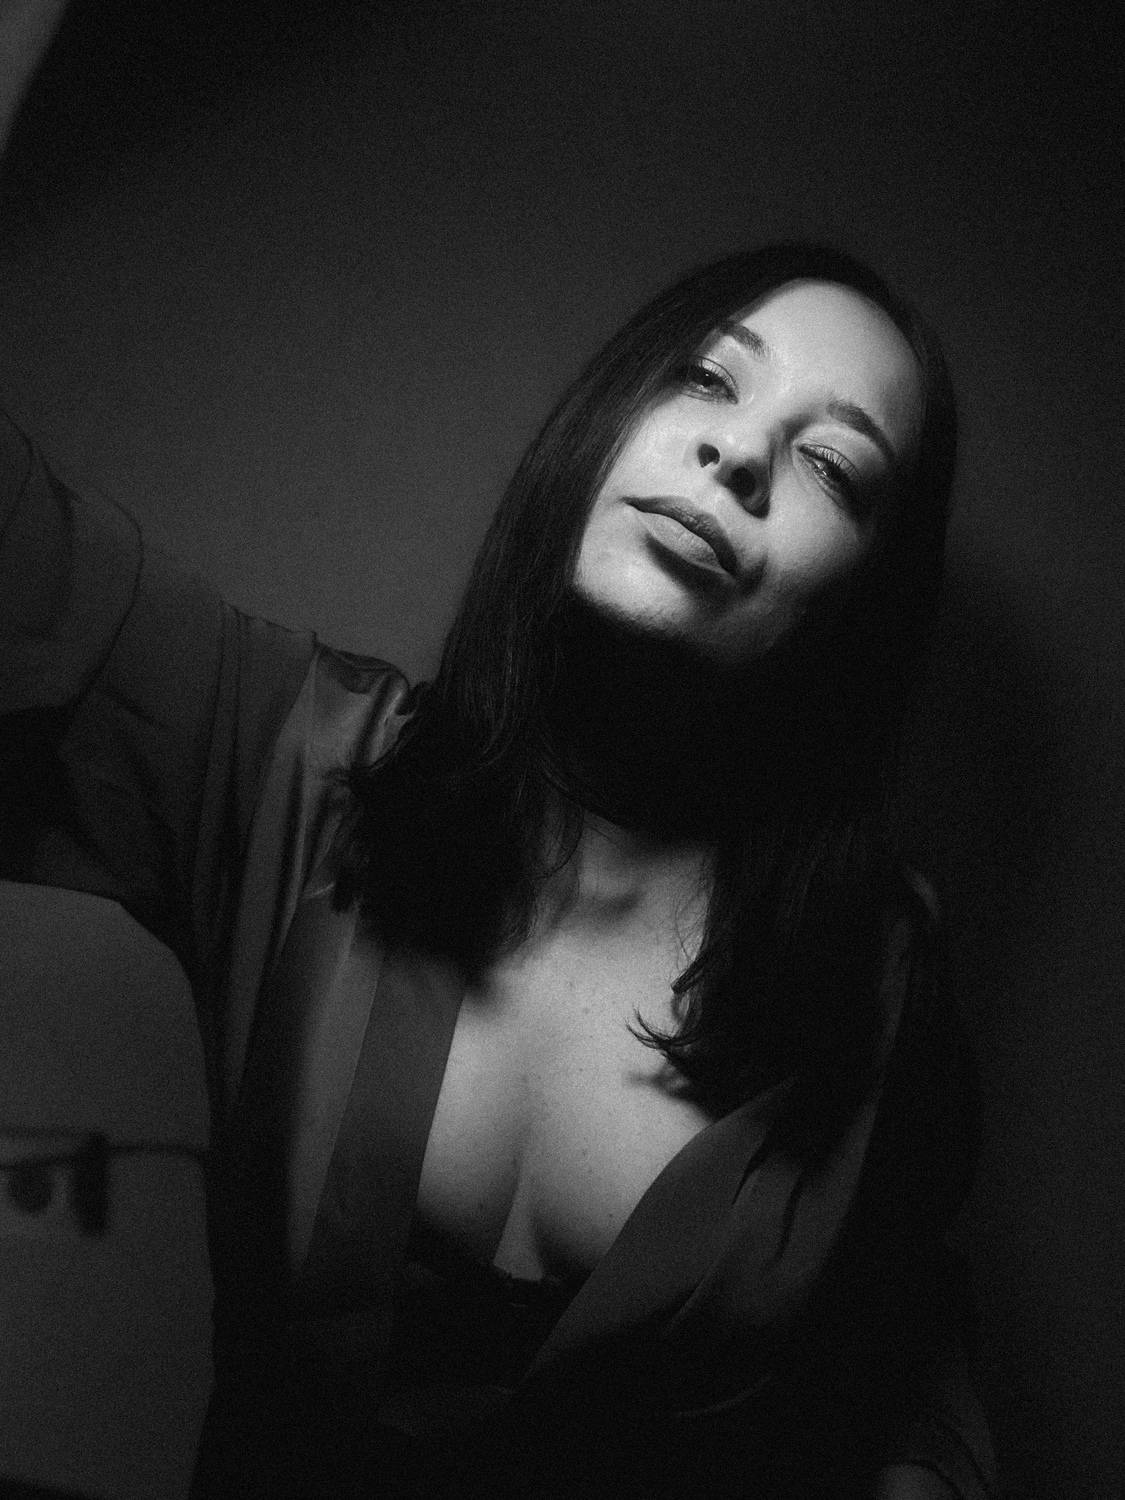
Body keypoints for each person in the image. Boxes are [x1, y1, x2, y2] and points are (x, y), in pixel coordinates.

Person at [1, 8, 995, 1497]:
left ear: (860, 606)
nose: (738, 454)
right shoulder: (292, 756)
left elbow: (906, 1377)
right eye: (706, 382)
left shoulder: (879, 984)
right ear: (606, 425)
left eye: (833, 462)